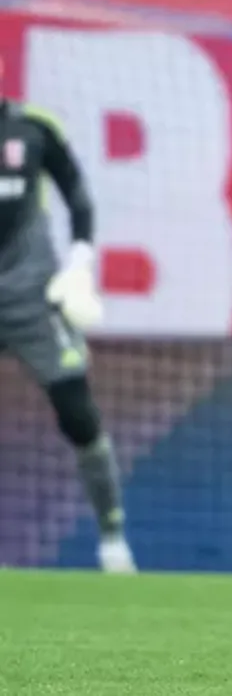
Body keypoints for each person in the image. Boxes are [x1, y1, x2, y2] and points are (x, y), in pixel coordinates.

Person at [0, 60, 135, 574]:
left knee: (78, 413)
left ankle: (113, 539)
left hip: (33, 298)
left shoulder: (34, 128)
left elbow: (78, 198)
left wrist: (80, 262)